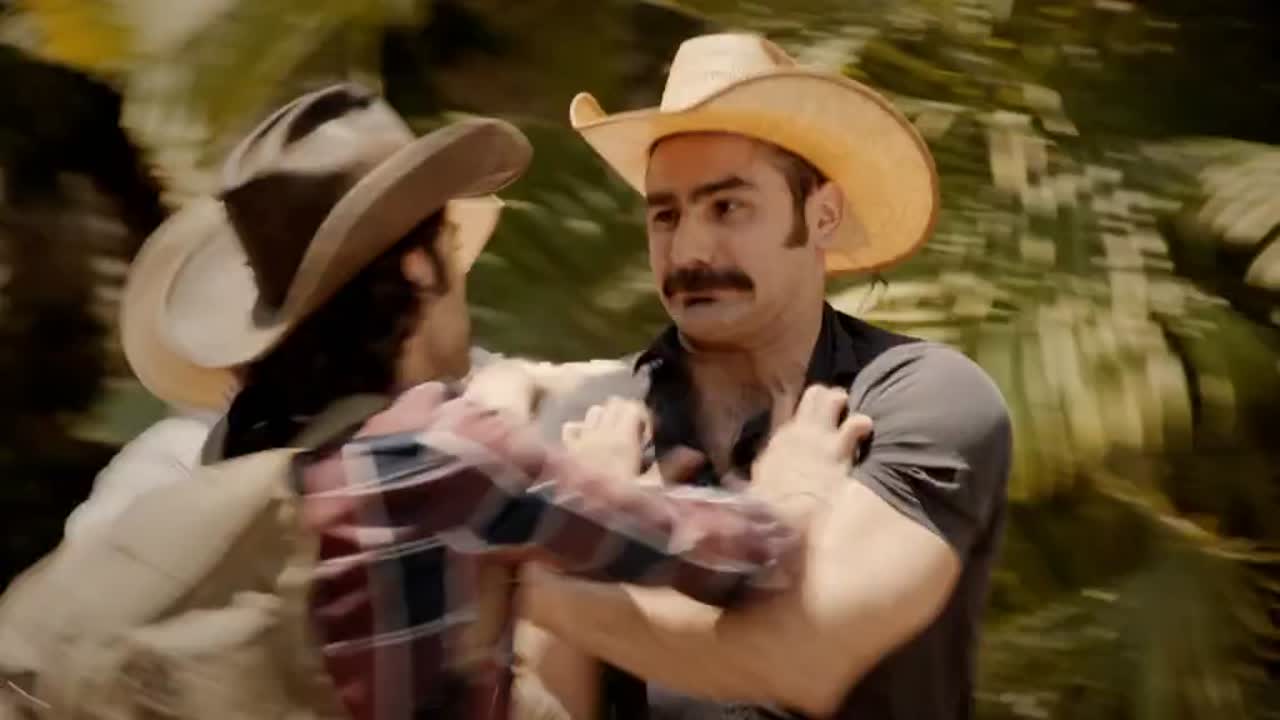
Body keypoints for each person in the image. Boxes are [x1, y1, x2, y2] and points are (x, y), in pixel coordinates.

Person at [0, 83, 839, 719]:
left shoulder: (221, 461)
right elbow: (735, 552)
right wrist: (793, 485)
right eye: (450, 247)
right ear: (419, 269)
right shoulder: (444, 460)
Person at [516, 33, 1014, 720]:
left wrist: (566, 549)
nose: (688, 249)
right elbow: (550, 705)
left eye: (728, 207)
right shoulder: (591, 420)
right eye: (665, 215)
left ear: (822, 215)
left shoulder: (922, 398)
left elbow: (801, 660)